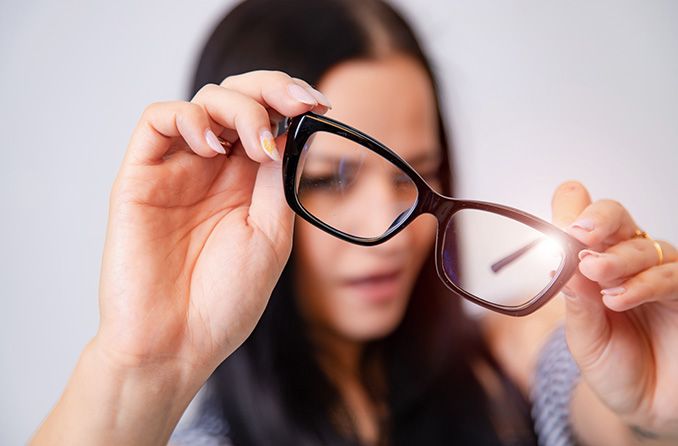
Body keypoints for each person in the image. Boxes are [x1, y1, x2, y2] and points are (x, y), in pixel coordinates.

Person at [30, 0, 678, 445]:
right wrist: (143, 363)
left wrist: (650, 414)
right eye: (331, 179)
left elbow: (606, 404)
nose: (392, 224)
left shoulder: (511, 359)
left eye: (415, 174)